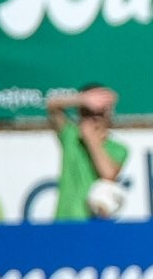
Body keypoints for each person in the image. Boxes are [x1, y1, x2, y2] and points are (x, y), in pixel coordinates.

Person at [44, 84, 128, 222]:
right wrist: (82, 99)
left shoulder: (118, 149)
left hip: (93, 223)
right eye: (86, 112)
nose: (92, 117)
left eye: (98, 112)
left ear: (108, 112)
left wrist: (91, 139)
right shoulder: (70, 135)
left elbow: (108, 174)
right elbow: (51, 106)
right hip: (64, 220)